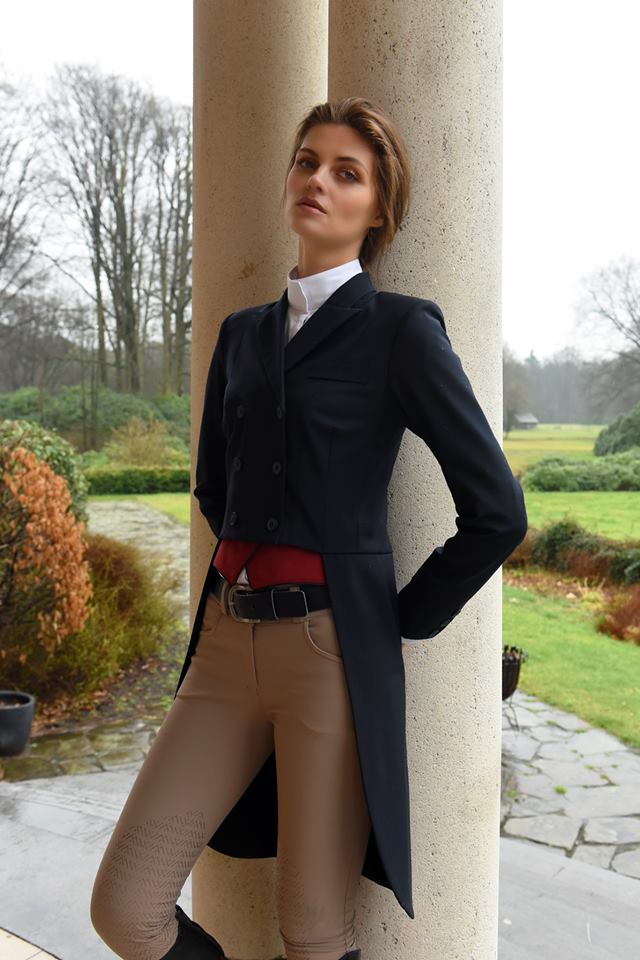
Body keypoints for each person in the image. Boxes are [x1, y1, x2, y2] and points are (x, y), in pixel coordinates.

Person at [90, 96, 527, 960]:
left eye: (346, 172)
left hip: (331, 657)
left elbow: (496, 512)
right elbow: (214, 486)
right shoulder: (242, 336)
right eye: (307, 161)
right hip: (224, 648)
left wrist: (398, 620)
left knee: (314, 933)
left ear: (378, 209)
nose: (318, 180)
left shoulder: (401, 332)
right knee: (126, 907)